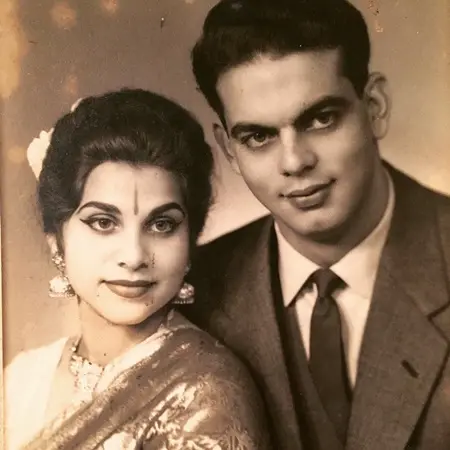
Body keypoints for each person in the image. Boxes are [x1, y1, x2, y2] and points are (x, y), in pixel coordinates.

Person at [181, 0, 450, 449]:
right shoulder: (195, 297)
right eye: (258, 137)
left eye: (321, 119)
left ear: (375, 107)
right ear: (228, 149)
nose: (294, 161)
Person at [4, 88, 271, 450]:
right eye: (102, 222)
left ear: (191, 241)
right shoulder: (22, 378)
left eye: (161, 225)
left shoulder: (205, 391)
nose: (133, 255)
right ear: (56, 240)